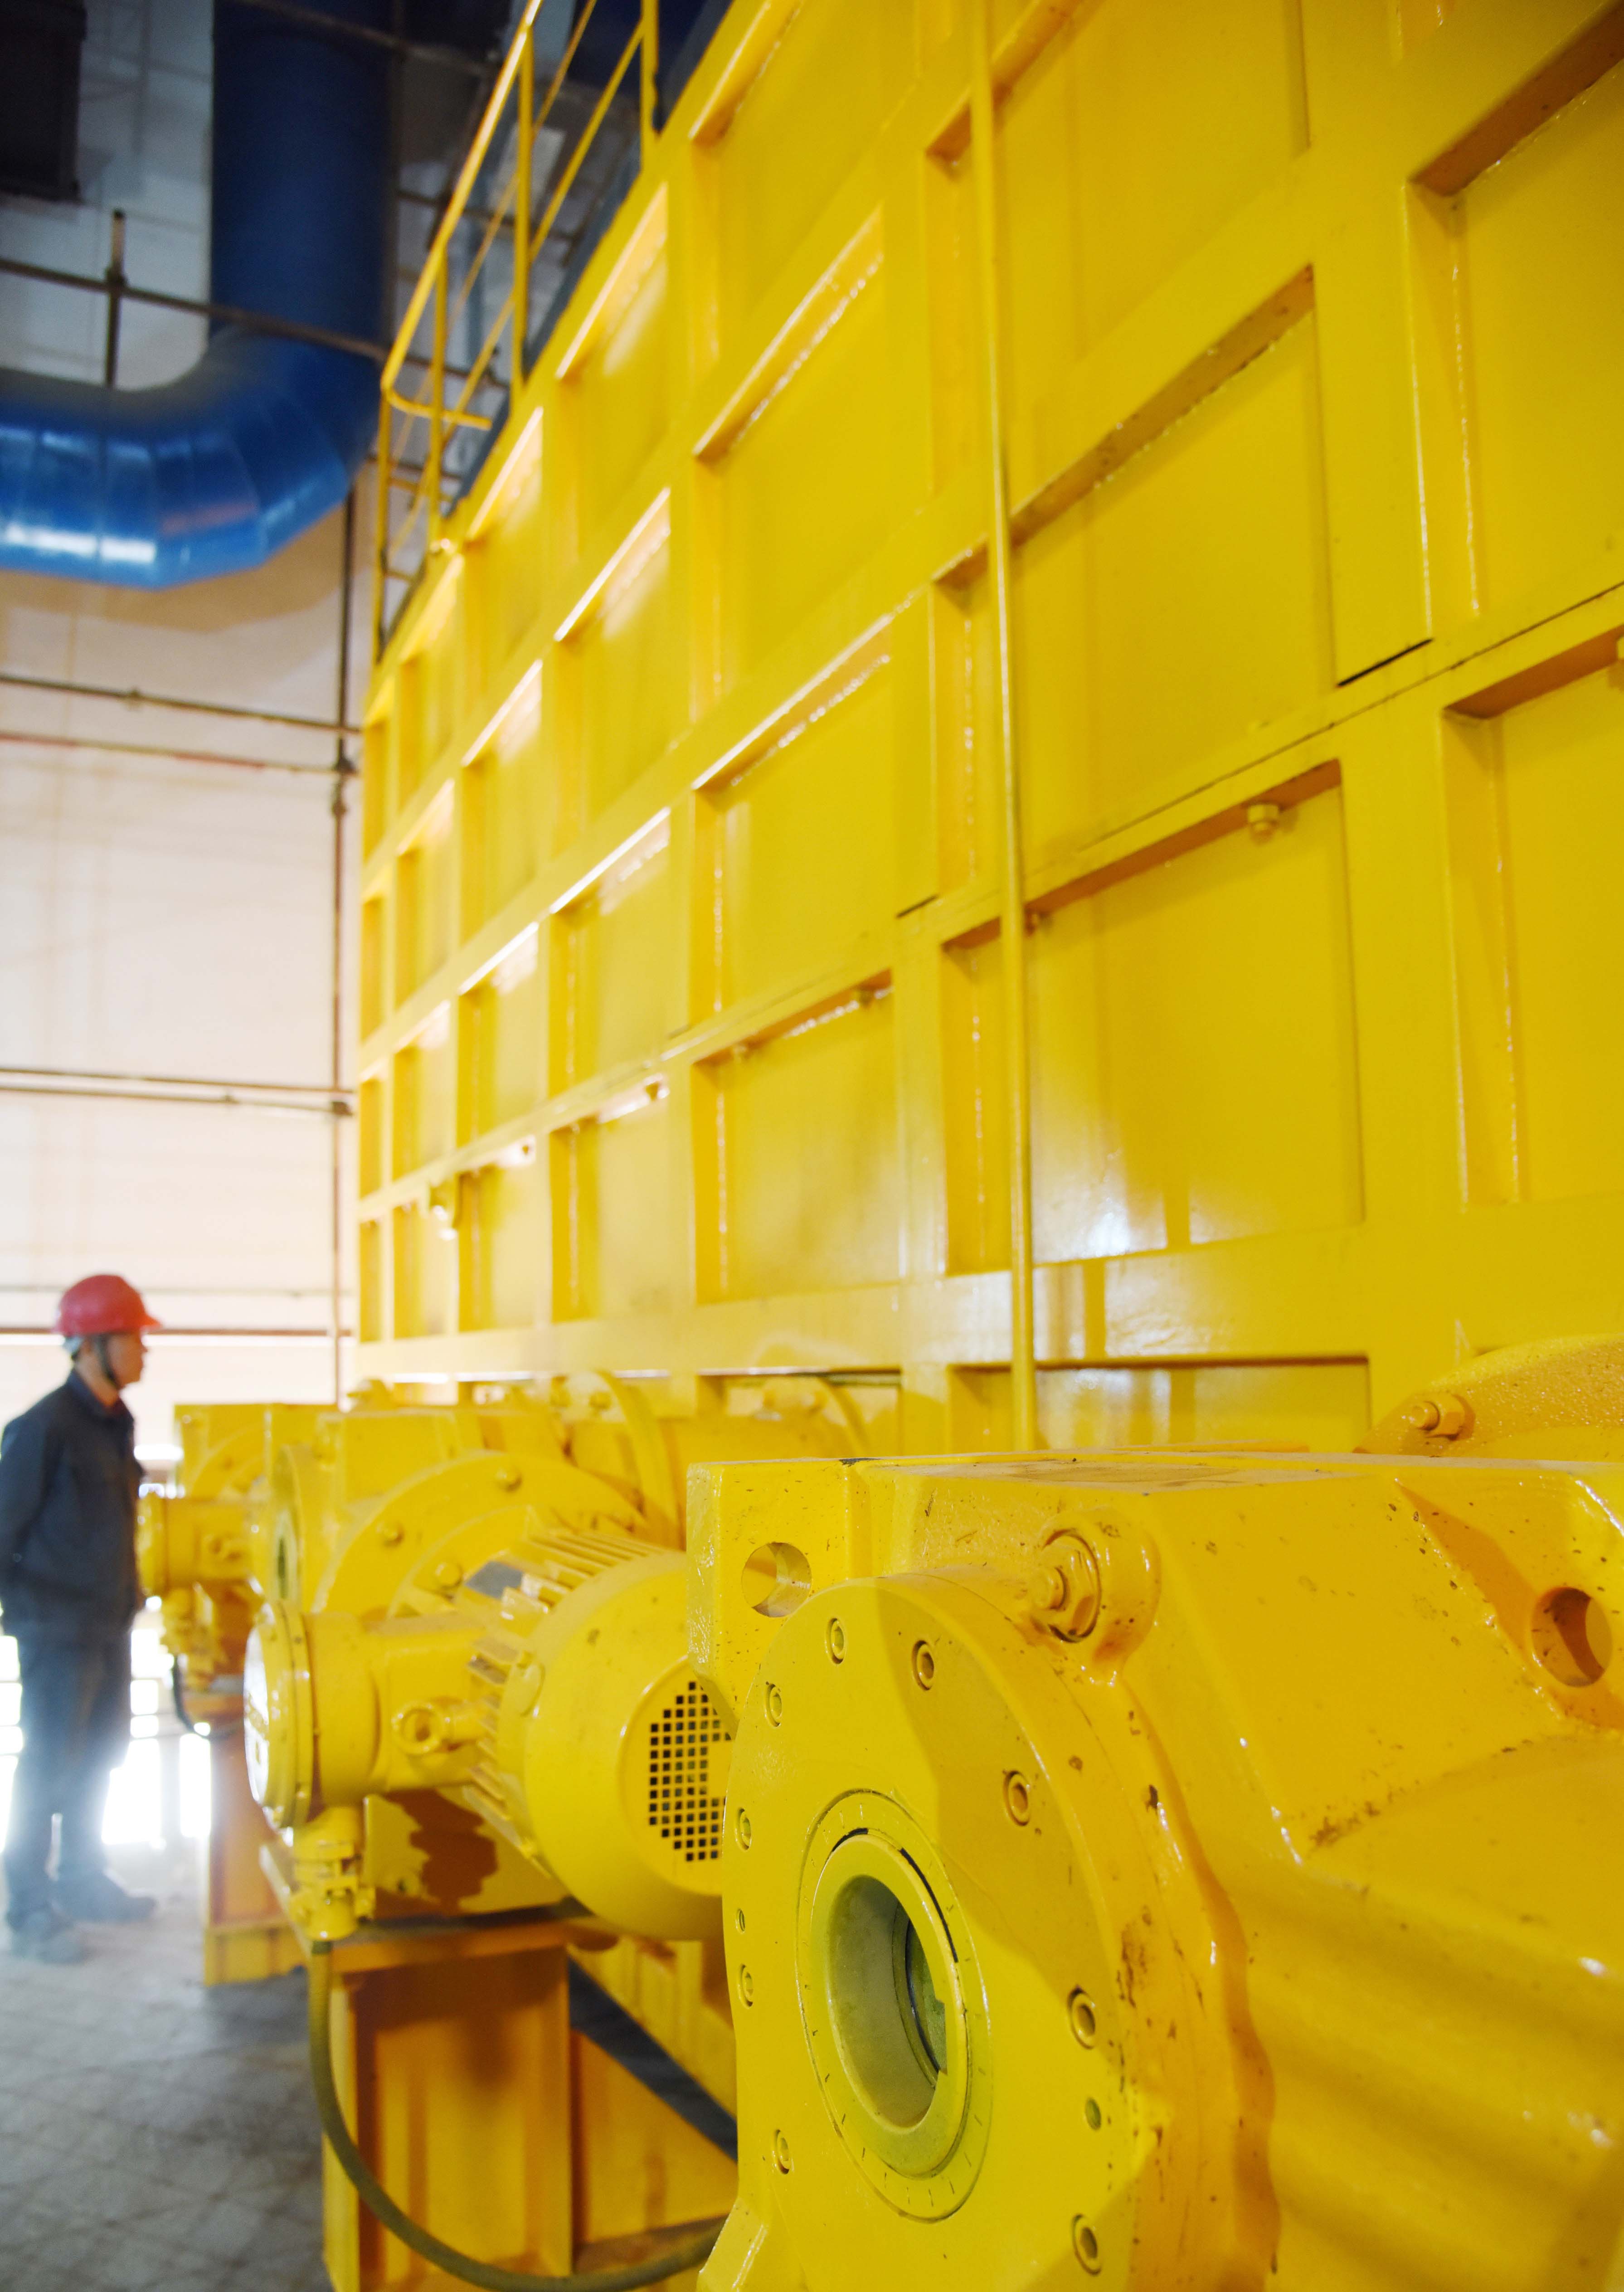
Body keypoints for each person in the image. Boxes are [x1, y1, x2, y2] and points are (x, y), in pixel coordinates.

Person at [0, 1274, 162, 1962]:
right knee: (48, 1765)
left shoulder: (116, 1424)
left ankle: (84, 1879)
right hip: (56, 1632)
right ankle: (29, 1907)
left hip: (106, 1626)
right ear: (93, 1346)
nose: (145, 1351)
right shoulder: (42, 1430)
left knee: (100, 1756)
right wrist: (30, 1608)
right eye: (134, 1338)